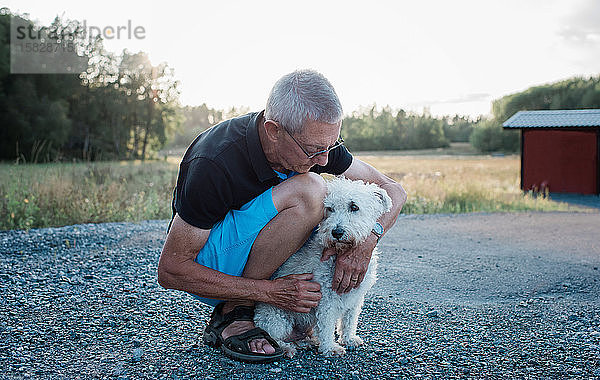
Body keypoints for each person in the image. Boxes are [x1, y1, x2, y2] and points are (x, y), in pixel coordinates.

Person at [157, 69, 407, 363]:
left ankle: (278, 316)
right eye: (314, 150)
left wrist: (365, 245)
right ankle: (236, 311)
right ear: (274, 130)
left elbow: (394, 190)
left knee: (322, 199)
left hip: (266, 259)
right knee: (312, 190)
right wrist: (270, 293)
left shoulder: (317, 143)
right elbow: (172, 270)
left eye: (331, 146)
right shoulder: (214, 161)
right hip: (212, 267)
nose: (325, 160)